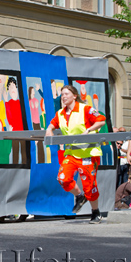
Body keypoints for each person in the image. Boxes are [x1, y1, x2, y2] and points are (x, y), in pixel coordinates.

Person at [45, 84, 106, 224]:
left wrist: (89, 129)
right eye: (62, 94)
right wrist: (49, 130)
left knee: (90, 186)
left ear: (74, 96)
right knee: (62, 178)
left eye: (66, 94)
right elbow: (53, 124)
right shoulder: (60, 113)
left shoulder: (85, 109)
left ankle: (96, 212)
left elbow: (101, 120)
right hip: (72, 153)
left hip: (88, 153)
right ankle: (79, 196)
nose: (63, 96)